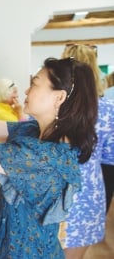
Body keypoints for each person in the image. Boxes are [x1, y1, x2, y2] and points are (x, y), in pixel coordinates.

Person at [0, 57, 98, 258]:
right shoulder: (34, 130)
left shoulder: (46, 157)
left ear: (59, 98)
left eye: (34, 84)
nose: (26, 91)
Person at [60, 44, 114, 259]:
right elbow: (110, 164)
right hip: (89, 198)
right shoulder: (108, 110)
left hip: (52, 194)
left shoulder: (55, 106)